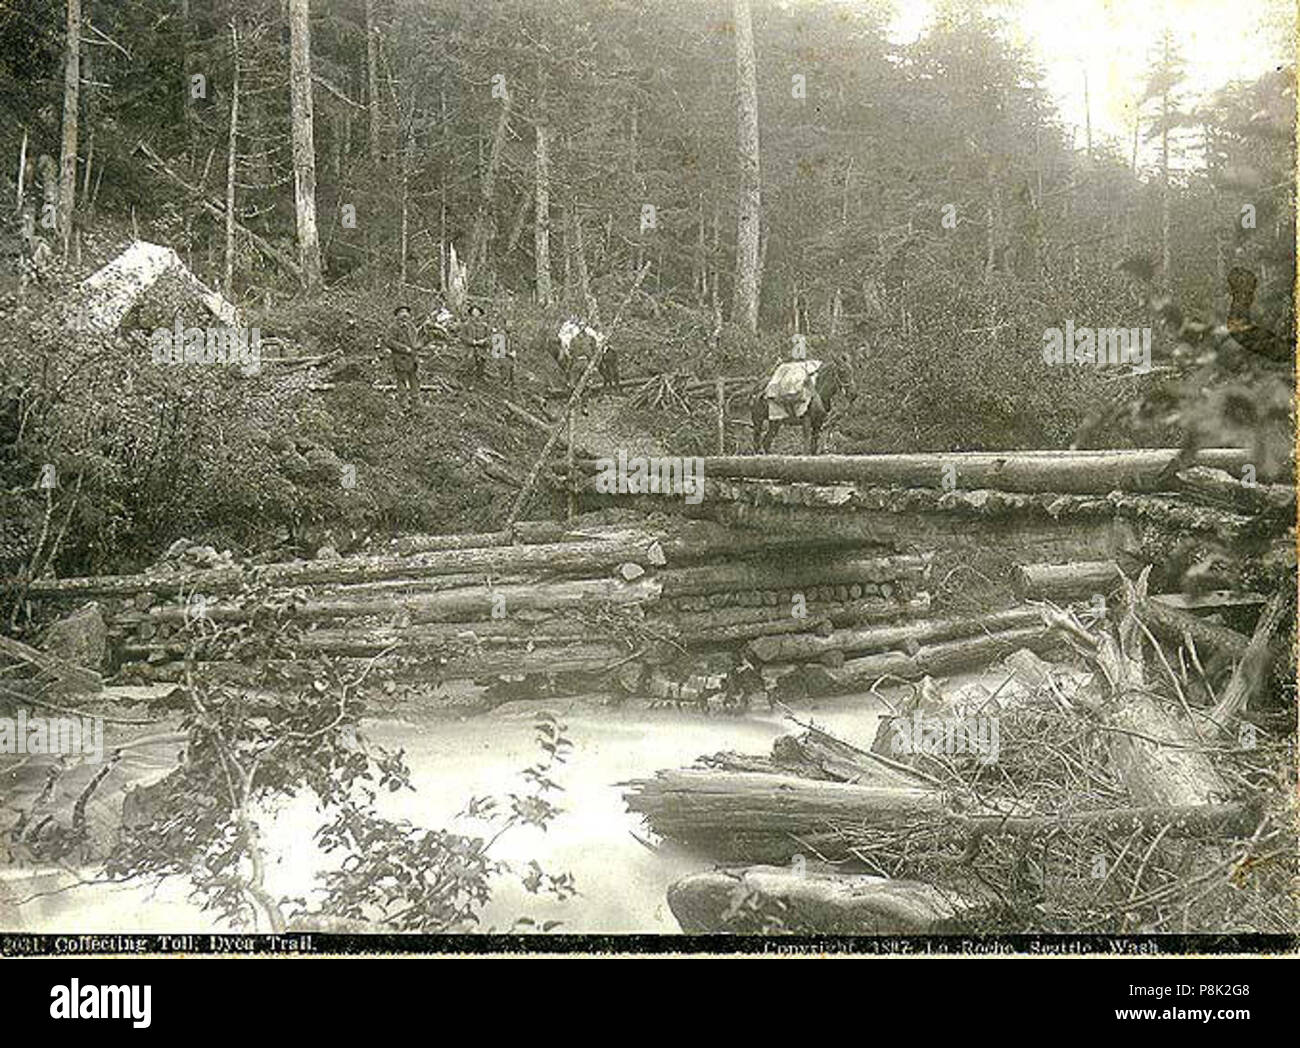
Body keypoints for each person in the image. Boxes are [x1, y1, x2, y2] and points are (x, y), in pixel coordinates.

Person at [384, 304, 423, 413]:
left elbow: (416, 339)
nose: (405, 315)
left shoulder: (411, 327)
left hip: (412, 358)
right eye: (402, 312)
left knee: (414, 379)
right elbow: (389, 341)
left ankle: (416, 400)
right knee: (401, 380)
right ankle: (403, 402)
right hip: (400, 358)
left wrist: (418, 347)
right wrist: (404, 348)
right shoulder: (393, 327)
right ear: (397, 315)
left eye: (406, 312)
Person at [462, 303, 490, 380]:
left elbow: (489, 337)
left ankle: (480, 377)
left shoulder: (485, 326)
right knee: (470, 361)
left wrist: (484, 341)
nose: (476, 316)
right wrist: (472, 341)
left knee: (482, 361)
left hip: (481, 348)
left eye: (477, 313)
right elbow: (463, 337)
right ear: (470, 314)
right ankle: (470, 380)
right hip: (470, 348)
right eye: (473, 314)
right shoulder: (466, 325)